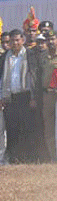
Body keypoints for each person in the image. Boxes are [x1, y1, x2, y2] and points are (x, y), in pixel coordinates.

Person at [0, 29, 37, 163]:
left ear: (22, 40)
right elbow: (1, 78)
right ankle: (14, 158)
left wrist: (33, 97)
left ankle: (27, 158)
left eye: (17, 40)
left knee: (26, 128)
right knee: (12, 128)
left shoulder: (29, 55)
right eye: (12, 41)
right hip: (10, 98)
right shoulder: (5, 57)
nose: (14, 43)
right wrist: (0, 97)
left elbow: (33, 78)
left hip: (25, 97)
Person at [38, 22, 57, 162]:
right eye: (48, 40)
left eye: (53, 39)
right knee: (48, 127)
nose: (51, 42)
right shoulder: (43, 56)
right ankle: (53, 157)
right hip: (48, 94)